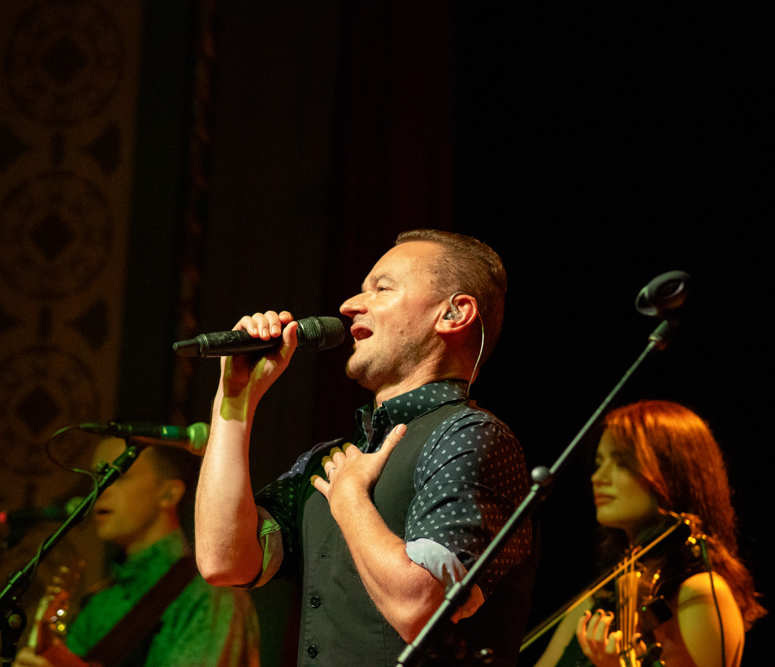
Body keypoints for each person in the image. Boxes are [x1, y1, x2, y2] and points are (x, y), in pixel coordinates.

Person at [195, 230, 537, 665]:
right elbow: (224, 560)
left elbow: (420, 609)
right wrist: (235, 400)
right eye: (361, 289)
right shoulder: (334, 457)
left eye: (382, 288)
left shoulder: (471, 436)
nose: (350, 305)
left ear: (454, 313)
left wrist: (351, 500)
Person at [533, 401, 766, 667]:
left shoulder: (699, 594)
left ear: (672, 471)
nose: (598, 477)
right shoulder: (600, 596)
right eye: (598, 463)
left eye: (621, 462)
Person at [15, 438, 260, 667]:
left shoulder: (208, 593)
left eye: (118, 476)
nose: (101, 490)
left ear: (168, 493)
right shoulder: (100, 600)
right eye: (98, 478)